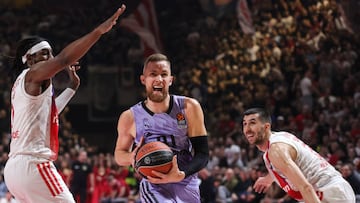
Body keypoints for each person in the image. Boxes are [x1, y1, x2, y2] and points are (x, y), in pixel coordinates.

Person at [4, 4, 126, 203]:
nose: (50, 58)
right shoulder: (33, 74)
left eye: (50, 53)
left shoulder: (22, 84)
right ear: (29, 59)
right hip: (32, 164)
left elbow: (48, 114)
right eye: (45, 53)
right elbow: (64, 59)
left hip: (15, 170)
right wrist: (98, 32)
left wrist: (71, 87)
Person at [114, 53, 209, 202]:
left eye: (164, 74)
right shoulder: (129, 117)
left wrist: (182, 173)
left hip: (186, 181)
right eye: (153, 74)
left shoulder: (189, 107)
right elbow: (119, 155)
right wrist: (131, 157)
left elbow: (203, 154)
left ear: (170, 80)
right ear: (143, 79)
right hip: (153, 184)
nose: (159, 79)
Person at [241, 107, 356, 203]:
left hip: (329, 192)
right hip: (329, 190)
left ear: (266, 127)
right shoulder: (278, 138)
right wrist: (269, 178)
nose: (247, 129)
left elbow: (305, 187)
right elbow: (287, 166)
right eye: (245, 124)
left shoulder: (276, 150)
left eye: (252, 123)